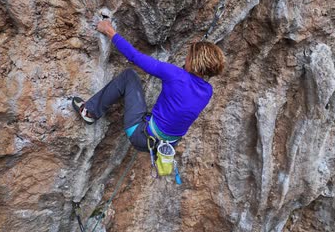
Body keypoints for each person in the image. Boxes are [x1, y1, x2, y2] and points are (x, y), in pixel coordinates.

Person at [72, 20, 225, 153]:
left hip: (141, 135)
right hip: (163, 147)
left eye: (189, 56)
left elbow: (134, 56)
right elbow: (185, 86)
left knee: (129, 76)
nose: (186, 57)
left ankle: (90, 112)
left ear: (195, 61)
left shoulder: (174, 74)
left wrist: (109, 31)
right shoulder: (207, 91)